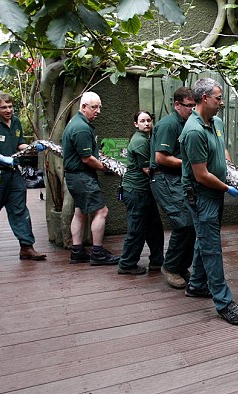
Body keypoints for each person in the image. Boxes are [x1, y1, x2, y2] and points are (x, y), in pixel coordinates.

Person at [180, 77, 238, 325]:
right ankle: (223, 302)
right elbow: (201, 175)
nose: (221, 102)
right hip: (202, 195)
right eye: (218, 98)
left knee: (205, 237)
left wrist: (233, 170)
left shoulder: (216, 122)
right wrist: (228, 188)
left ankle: (197, 284)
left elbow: (221, 150)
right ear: (205, 98)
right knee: (212, 247)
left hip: (215, 191)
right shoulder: (194, 131)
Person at [0, 93, 47, 262]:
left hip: (13, 173)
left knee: (20, 210)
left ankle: (27, 247)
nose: (8, 110)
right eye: (3, 107)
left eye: (10, 106)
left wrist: (31, 148)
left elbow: (18, 143)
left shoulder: (16, 122)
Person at [62, 91, 119, 265]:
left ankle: (77, 251)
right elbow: (87, 158)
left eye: (100, 107)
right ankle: (97, 252)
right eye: (94, 107)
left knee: (80, 212)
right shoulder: (81, 128)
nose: (98, 111)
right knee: (102, 211)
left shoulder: (77, 122)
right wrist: (106, 168)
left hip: (75, 176)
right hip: (81, 176)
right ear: (83, 107)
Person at [150, 87, 197, 288]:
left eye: (195, 106)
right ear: (177, 104)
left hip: (178, 180)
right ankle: (170, 266)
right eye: (189, 106)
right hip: (164, 179)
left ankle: (180, 265)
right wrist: (191, 164)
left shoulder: (189, 123)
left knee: (192, 224)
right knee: (183, 222)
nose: (192, 110)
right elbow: (161, 158)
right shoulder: (169, 125)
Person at [117, 111, 165, 275]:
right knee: (137, 229)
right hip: (136, 191)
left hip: (144, 191)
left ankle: (158, 261)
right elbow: (147, 169)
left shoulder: (147, 139)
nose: (146, 123)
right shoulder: (140, 142)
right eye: (142, 121)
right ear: (136, 124)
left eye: (148, 120)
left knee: (154, 228)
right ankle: (126, 264)